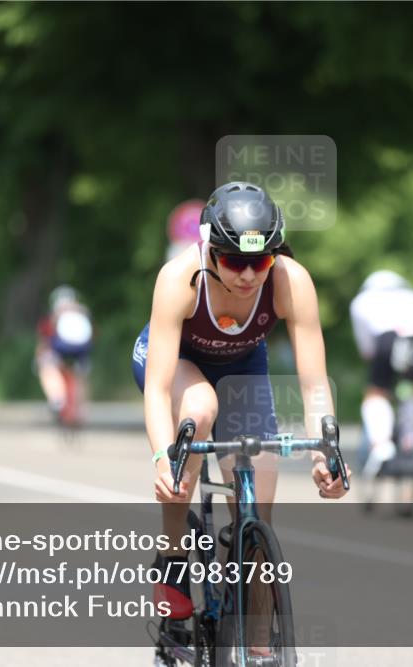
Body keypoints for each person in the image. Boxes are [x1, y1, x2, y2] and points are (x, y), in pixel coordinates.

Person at [131, 182, 349, 633]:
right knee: (200, 406)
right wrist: (161, 459)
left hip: (243, 364)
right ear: (210, 249)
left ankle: (258, 642)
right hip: (177, 364)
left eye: (260, 261)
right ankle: (173, 554)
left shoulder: (292, 280)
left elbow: (314, 386)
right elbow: (157, 389)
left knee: (257, 514)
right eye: (234, 261)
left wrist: (325, 454)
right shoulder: (178, 279)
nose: (249, 276)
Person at [349, 270, 413, 486]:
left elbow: (367, 348)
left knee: (376, 393)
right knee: (411, 389)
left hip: (388, 339)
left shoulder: (362, 301)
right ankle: (410, 438)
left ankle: (381, 445)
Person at [36, 285, 93, 423]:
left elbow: (45, 341)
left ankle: (57, 399)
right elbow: (91, 336)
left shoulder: (53, 316)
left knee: (46, 366)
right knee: (82, 375)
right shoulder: (83, 312)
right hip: (82, 352)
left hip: (60, 350)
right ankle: (81, 409)